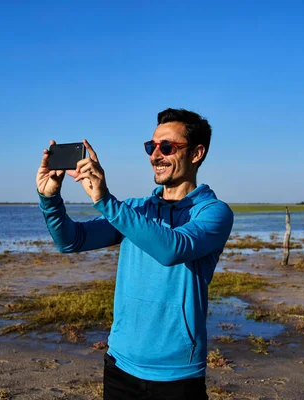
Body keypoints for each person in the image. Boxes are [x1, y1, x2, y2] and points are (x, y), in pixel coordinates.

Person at [36, 108, 234, 400]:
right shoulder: (136, 210)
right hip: (120, 365)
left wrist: (105, 200)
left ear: (196, 153)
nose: (155, 155)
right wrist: (50, 198)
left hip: (177, 373)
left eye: (166, 147)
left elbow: (171, 248)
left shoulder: (214, 213)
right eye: (150, 147)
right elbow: (72, 240)